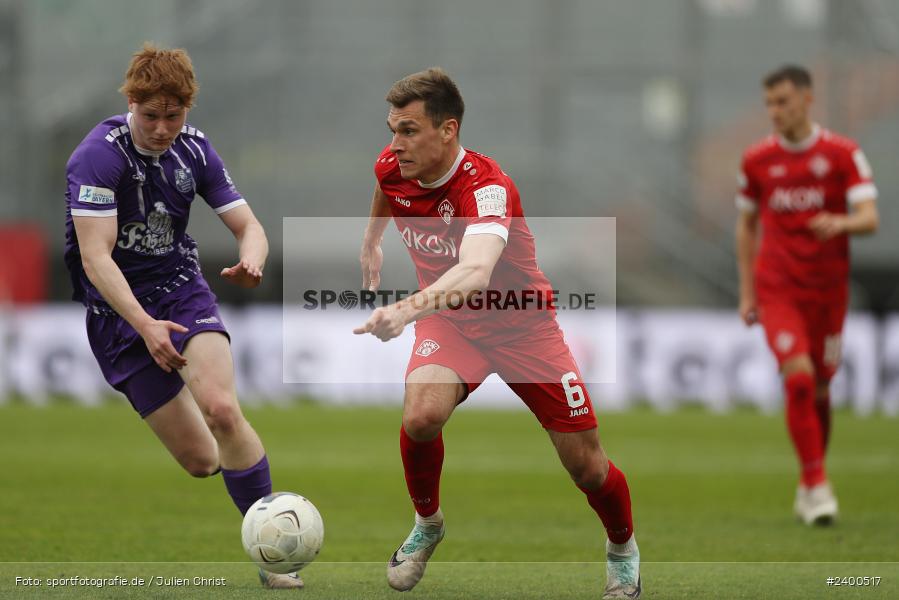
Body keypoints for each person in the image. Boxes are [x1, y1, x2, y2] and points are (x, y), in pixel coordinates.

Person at [355, 67, 640, 598]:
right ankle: (428, 524)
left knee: (587, 466)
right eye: (393, 128)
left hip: (523, 327)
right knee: (420, 416)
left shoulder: (487, 188)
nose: (396, 143)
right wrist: (372, 240)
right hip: (453, 324)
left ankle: (622, 547)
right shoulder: (393, 164)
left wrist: (407, 309)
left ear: (449, 130)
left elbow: (476, 272)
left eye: (410, 130)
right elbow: (383, 186)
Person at [63, 43, 302, 589]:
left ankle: (271, 553)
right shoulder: (98, 156)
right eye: (152, 115)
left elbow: (249, 226)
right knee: (200, 460)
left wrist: (253, 258)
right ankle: (248, 493)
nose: (163, 128)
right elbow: (97, 259)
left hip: (180, 292)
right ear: (132, 102)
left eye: (175, 115)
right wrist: (143, 327)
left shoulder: (194, 150)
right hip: (116, 314)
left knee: (221, 408)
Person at [735, 65, 879, 526]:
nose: (775, 112)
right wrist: (747, 291)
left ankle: (808, 480)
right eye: (770, 103)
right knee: (797, 377)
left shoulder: (842, 154)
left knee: (819, 388)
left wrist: (841, 223)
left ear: (806, 99)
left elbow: (870, 217)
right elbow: (746, 224)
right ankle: (818, 484)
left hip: (827, 292)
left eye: (783, 101)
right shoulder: (757, 160)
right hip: (778, 288)